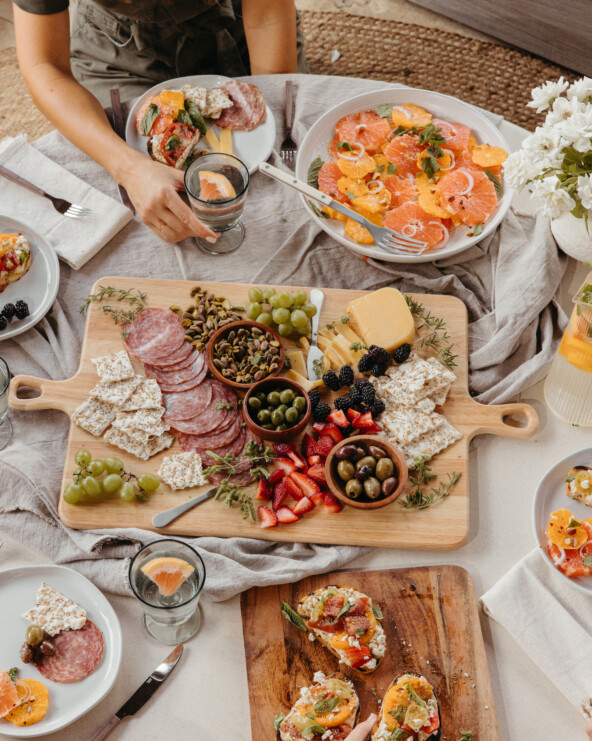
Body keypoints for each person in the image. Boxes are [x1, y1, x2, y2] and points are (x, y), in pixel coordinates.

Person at [12, 0, 307, 244]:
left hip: (241, 28)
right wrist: (129, 168)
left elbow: (268, 14)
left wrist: (259, 105)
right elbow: (44, 65)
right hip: (117, 53)